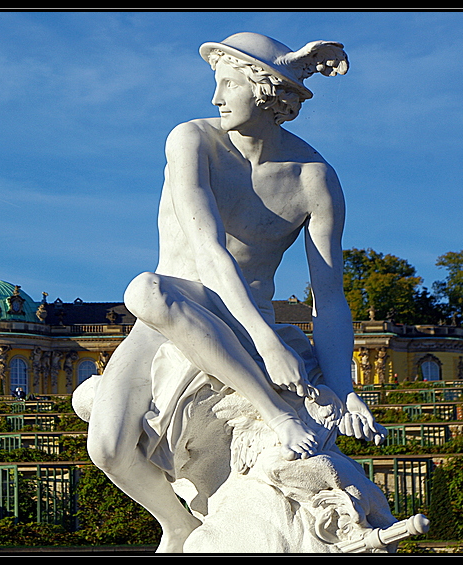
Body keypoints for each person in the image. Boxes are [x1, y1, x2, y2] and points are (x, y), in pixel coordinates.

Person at [80, 32, 385, 553]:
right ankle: (178, 527)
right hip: (177, 307)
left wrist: (345, 386)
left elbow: (330, 298)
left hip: (246, 318)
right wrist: (268, 343)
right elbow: (207, 251)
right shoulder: (192, 140)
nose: (216, 97)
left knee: (144, 292)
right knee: (108, 447)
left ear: (265, 90)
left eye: (226, 84)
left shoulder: (315, 178)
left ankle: (276, 414)